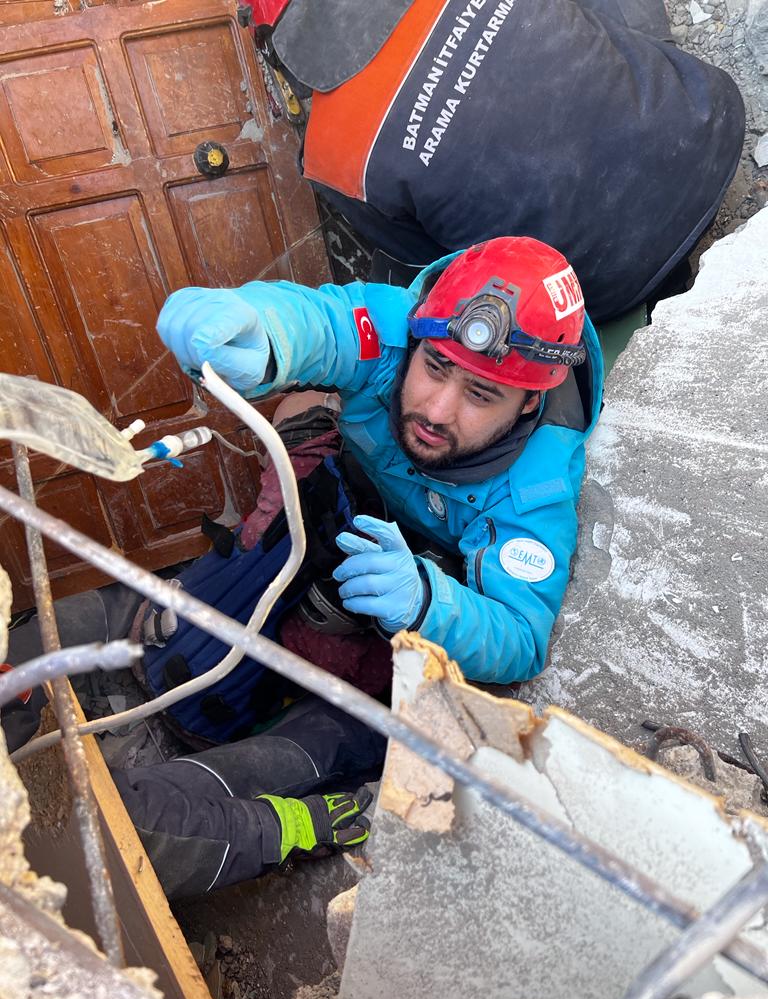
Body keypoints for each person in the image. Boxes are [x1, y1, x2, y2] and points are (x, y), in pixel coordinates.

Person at [4, 236, 602, 899]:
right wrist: (258, 329)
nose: (436, 409)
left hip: (406, 621)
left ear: (527, 402)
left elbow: (520, 633)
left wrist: (429, 604)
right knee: (104, 638)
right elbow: (322, 324)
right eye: (435, 368)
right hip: (335, 536)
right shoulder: (398, 331)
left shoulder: (536, 489)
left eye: (480, 394)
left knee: (190, 806)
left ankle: (321, 819)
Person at [241, 0, 745, 319]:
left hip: (607, 287)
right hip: (707, 127)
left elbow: (433, 263)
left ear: (283, 55)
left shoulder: (334, 159)